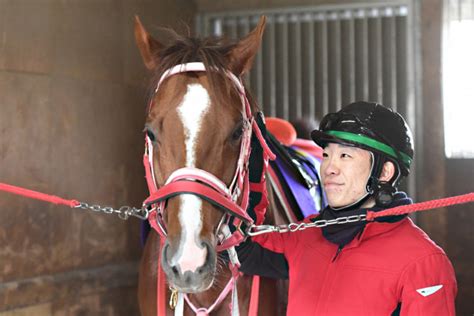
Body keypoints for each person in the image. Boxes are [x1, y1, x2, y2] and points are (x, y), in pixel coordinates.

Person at [238, 101, 457, 315]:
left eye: (345, 156)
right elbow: (242, 248)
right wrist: (256, 165)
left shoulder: (424, 264)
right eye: (326, 155)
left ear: (384, 173)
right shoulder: (305, 235)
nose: (329, 168)